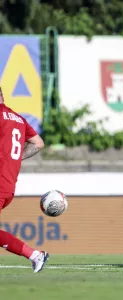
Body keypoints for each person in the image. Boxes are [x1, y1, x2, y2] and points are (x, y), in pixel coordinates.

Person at [0, 86, 48, 272]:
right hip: (9, 183)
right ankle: (35, 255)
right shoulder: (18, 119)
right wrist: (13, 158)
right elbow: (38, 143)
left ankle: (35, 255)